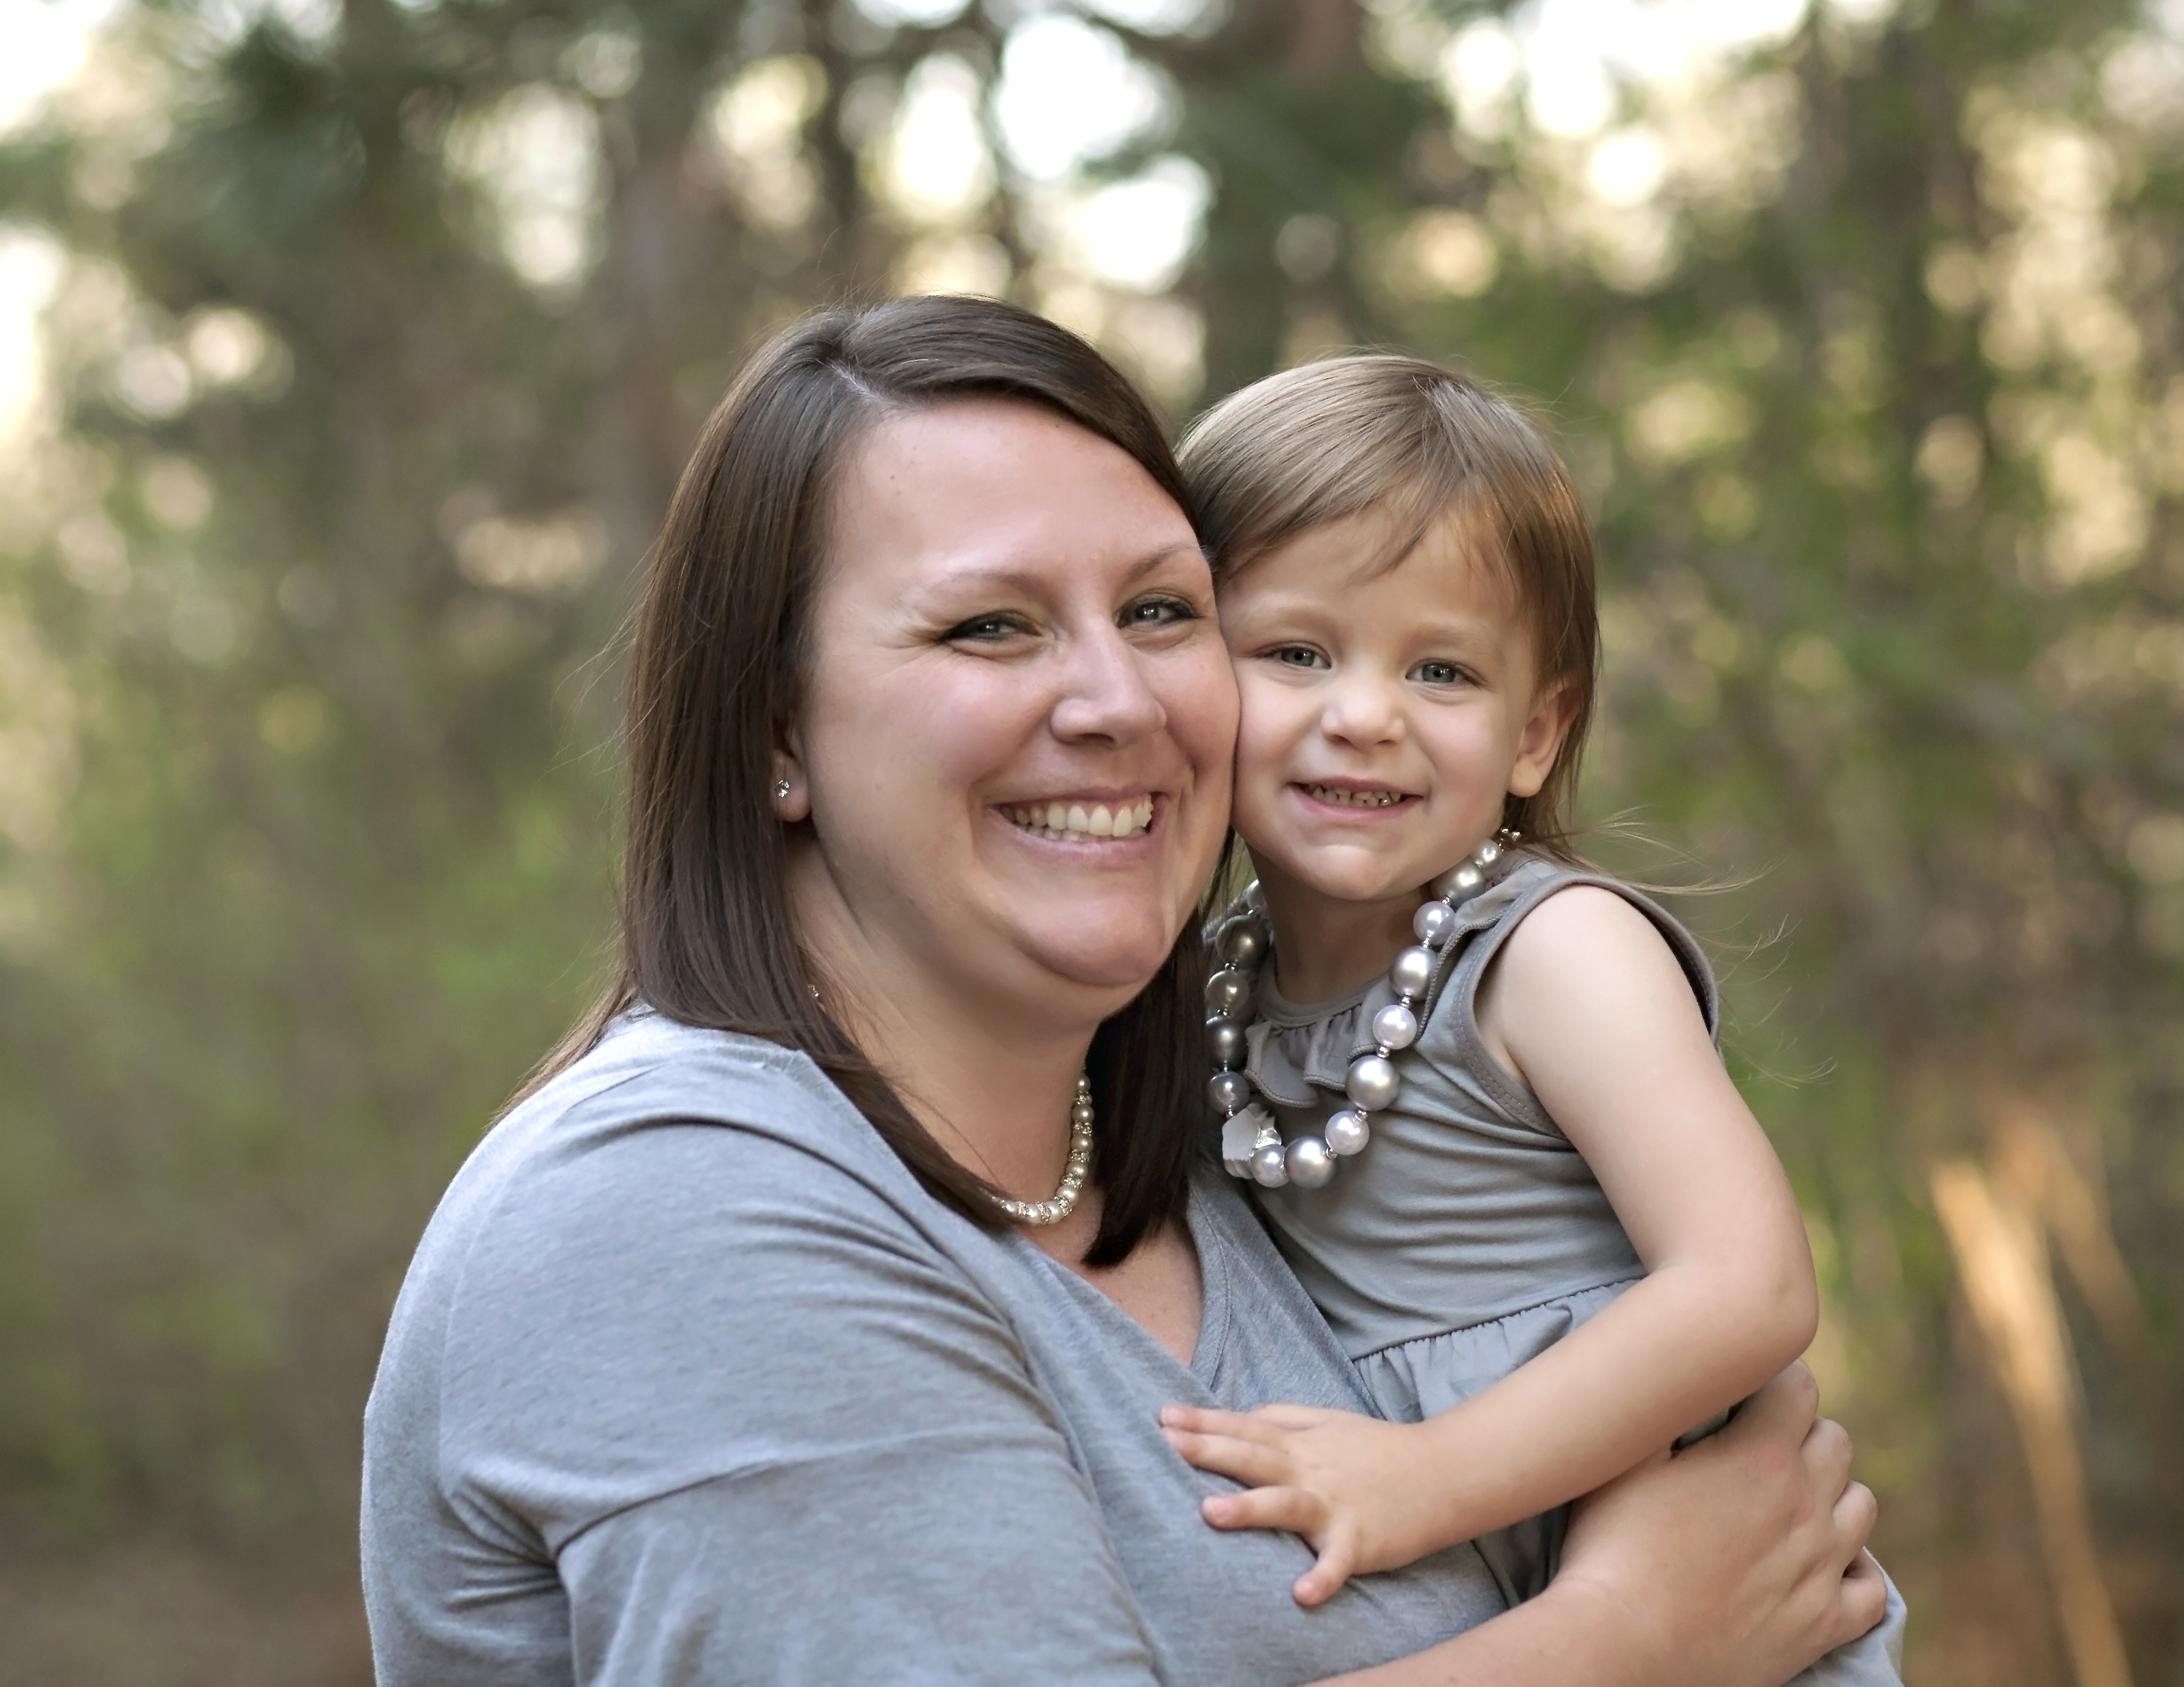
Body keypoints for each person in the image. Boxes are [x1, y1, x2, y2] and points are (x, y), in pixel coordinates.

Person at [359, 295, 1886, 1685]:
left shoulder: (1221, 1155)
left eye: (1159, 612)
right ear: (776, 730)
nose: (1117, 700)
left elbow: (1729, 1286)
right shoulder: (676, 1209)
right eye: (990, 625)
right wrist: (1633, 1638)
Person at [1158, 355, 1903, 1677]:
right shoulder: (1215, 989)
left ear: (1535, 734)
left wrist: (1426, 1476)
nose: (1366, 715)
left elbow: (1749, 1284)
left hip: (1709, 1587)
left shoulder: (1550, 953)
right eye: (1296, 652)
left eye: (1441, 670)